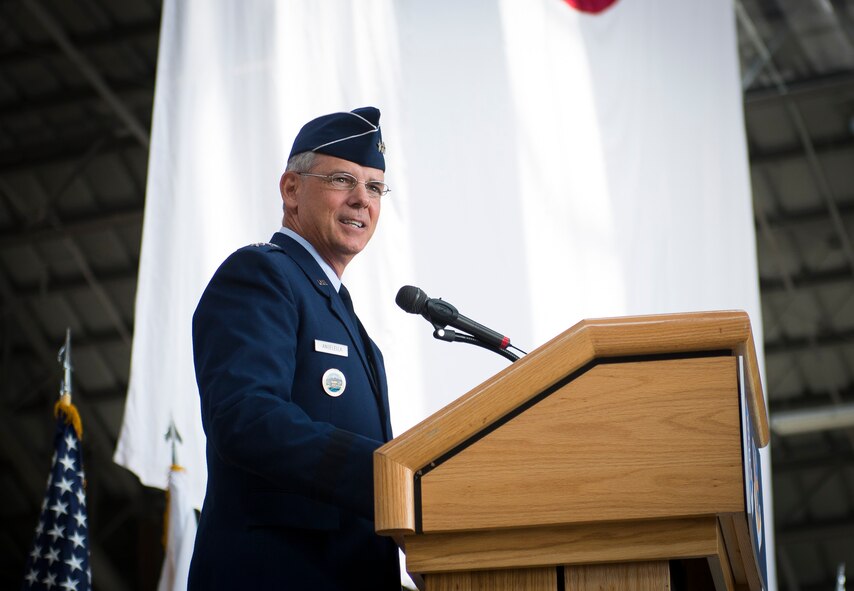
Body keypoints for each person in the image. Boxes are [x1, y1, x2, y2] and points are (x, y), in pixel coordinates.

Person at [188, 107, 400, 590]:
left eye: (374, 187)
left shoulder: (346, 319)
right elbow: (246, 417)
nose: (361, 200)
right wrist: (386, 475)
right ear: (290, 190)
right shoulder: (262, 275)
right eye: (344, 179)